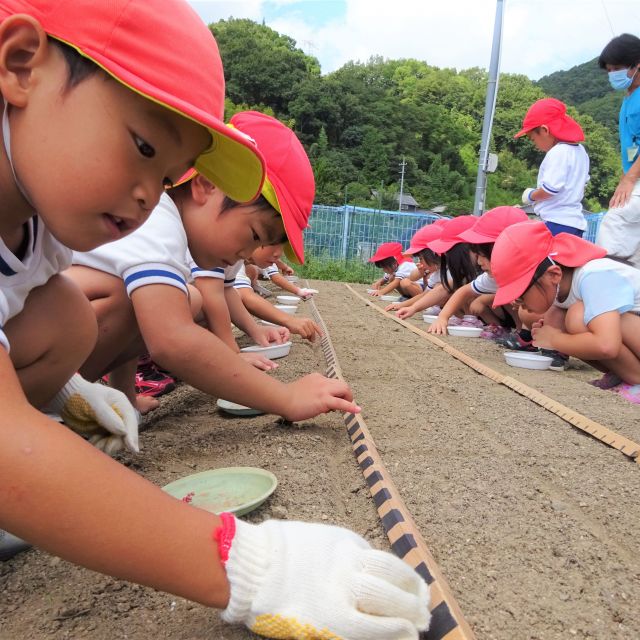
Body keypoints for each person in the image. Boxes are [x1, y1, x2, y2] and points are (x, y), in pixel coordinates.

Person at [0, 3, 430, 637]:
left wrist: (69, 390)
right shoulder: (136, 224)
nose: (149, 194)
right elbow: (173, 338)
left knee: (65, 314)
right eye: (142, 146)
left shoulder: (45, 222)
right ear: (20, 64)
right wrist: (256, 569)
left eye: (165, 172)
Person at [68, 111, 353, 416]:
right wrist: (287, 398)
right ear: (207, 185)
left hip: (34, 347)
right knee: (157, 302)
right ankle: (41, 407)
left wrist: (124, 397)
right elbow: (171, 341)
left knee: (178, 299)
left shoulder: (166, 223)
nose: (248, 253)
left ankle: (99, 394)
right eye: (255, 234)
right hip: (19, 355)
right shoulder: (157, 219)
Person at [491, 221, 640, 404]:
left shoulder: (594, 275)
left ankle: (636, 381)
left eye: (521, 294)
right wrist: (553, 333)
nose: (516, 302)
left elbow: (606, 345)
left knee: (577, 317)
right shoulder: (566, 286)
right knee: (563, 320)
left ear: (554, 275)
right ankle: (621, 375)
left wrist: (554, 339)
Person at [428, 206, 528, 336]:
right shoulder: (491, 275)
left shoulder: (538, 273)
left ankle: (523, 334)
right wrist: (442, 318)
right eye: (477, 255)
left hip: (538, 320)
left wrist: (484, 299)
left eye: (484, 255)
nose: (480, 261)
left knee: (516, 300)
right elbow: (462, 291)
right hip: (512, 316)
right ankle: (517, 333)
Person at [516, 97, 590, 238]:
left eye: (533, 139)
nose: (535, 144)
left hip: (556, 222)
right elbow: (583, 183)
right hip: (575, 223)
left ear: (544, 130)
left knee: (546, 260)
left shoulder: (558, 152)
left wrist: (530, 195)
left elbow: (550, 189)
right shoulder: (580, 151)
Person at [596, 34, 640, 268]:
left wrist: (629, 179)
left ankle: (604, 280)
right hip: (634, 177)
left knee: (615, 222)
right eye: (609, 70)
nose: (613, 74)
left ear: (637, 64)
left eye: (618, 68)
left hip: (637, 178)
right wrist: (626, 179)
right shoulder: (629, 97)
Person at [232, 246, 324, 342]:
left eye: (282, 247)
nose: (279, 253)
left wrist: (255, 329)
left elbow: (232, 296)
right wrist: (290, 320)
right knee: (249, 274)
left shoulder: (239, 260)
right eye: (272, 243)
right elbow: (246, 296)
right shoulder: (232, 260)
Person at [396, 216, 478, 320]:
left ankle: (471, 319)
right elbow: (440, 290)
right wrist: (412, 308)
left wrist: (444, 316)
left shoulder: (481, 269)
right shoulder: (452, 270)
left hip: (484, 311)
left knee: (468, 295)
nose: (447, 255)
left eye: (421, 258)